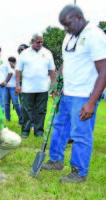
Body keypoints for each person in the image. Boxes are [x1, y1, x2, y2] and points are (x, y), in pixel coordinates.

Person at [42, 5, 106, 183]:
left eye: (67, 24)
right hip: (67, 93)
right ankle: (55, 160)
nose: (66, 28)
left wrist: (92, 102)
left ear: (78, 17)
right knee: (60, 127)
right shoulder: (69, 37)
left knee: (80, 134)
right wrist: (58, 82)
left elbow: (104, 70)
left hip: (84, 95)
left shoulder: (94, 35)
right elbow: (66, 62)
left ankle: (79, 172)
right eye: (63, 25)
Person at [15, 33, 56, 138]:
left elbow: (52, 70)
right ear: (32, 41)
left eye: (42, 42)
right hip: (27, 89)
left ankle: (39, 132)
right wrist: (17, 85)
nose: (40, 44)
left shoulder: (47, 53)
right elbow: (18, 70)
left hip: (42, 88)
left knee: (41, 111)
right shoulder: (24, 53)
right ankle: (25, 131)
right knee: (26, 110)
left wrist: (53, 84)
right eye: (38, 42)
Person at [17, 44, 36, 128]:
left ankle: (32, 124)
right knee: (23, 105)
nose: (20, 51)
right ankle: (22, 122)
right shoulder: (19, 61)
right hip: (21, 85)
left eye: (22, 49)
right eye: (19, 50)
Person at [4, 57, 22, 125]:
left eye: (10, 62)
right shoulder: (6, 69)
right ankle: (7, 118)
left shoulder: (17, 68)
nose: (9, 64)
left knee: (15, 103)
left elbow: (19, 76)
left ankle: (21, 118)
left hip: (13, 88)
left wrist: (14, 66)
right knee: (6, 104)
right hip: (6, 88)